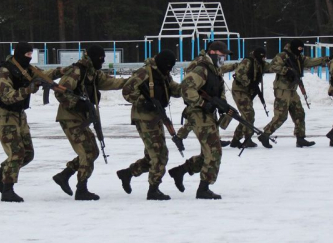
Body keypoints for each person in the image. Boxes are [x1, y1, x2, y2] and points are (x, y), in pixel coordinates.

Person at [0, 42, 62, 202]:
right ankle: (7, 190)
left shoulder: (27, 70)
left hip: (19, 115)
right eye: (26, 55)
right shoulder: (4, 72)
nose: (29, 58)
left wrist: (65, 70)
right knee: (17, 153)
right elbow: (7, 96)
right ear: (19, 54)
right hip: (5, 116)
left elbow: (44, 75)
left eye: (30, 55)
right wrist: (29, 89)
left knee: (27, 154)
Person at [52, 45, 126, 200]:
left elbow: (110, 82)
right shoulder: (76, 72)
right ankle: (81, 189)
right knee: (87, 152)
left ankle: (64, 175)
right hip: (70, 117)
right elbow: (60, 91)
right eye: (100, 58)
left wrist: (131, 81)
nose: (102, 61)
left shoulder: (93, 74)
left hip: (82, 119)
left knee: (93, 151)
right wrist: (77, 103)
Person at [167, 41, 232, 200]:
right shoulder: (202, 68)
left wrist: (222, 105)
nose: (223, 58)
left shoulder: (213, 69)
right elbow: (186, 88)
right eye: (222, 55)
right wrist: (203, 103)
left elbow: (217, 90)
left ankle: (180, 171)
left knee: (207, 153)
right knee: (214, 151)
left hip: (207, 113)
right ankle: (203, 188)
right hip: (198, 113)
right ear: (213, 52)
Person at [116, 50, 181, 200]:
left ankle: (128, 173)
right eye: (168, 66)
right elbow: (127, 91)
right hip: (144, 117)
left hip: (157, 116)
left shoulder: (163, 73)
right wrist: (144, 102)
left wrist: (188, 89)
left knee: (151, 156)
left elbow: (172, 87)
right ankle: (153, 189)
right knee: (159, 154)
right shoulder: (144, 73)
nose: (169, 70)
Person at [258, 39, 327, 149]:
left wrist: (325, 59)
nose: (300, 50)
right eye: (298, 48)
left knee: (299, 113)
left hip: (292, 90)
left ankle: (300, 138)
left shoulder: (299, 57)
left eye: (302, 48)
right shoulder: (283, 56)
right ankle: (265, 135)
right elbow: (273, 66)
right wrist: (286, 70)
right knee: (281, 116)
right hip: (282, 90)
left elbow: (310, 61)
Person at [228, 47, 268, 149]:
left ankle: (236, 139)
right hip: (240, 90)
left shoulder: (260, 64)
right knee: (248, 114)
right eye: (262, 57)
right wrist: (250, 84)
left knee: (247, 115)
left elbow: (270, 67)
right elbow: (239, 74)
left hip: (247, 91)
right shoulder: (248, 61)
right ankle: (247, 138)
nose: (263, 59)